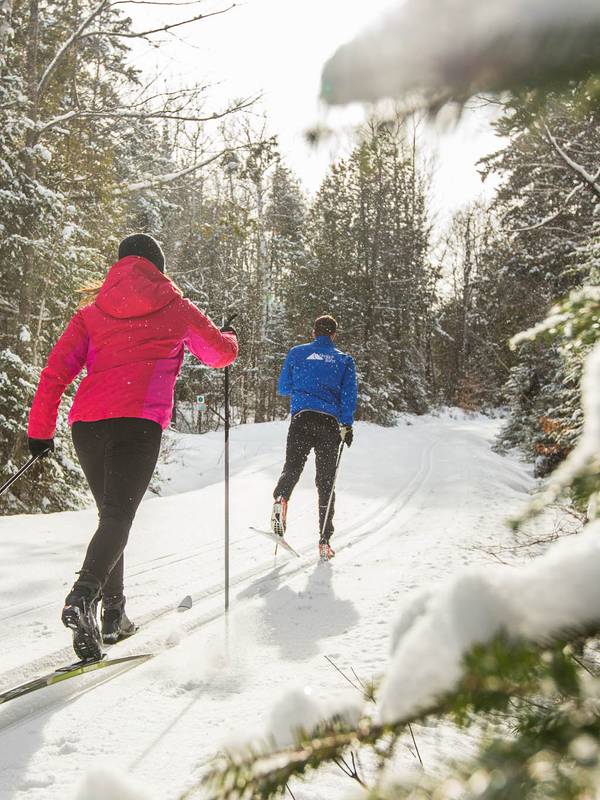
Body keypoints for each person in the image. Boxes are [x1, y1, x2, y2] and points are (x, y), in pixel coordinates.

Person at [27, 234, 238, 661]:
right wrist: (230, 335)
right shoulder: (176, 307)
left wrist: (40, 431)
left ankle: (113, 615)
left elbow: (54, 373)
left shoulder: (91, 314)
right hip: (138, 423)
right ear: (158, 267)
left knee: (111, 517)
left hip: (88, 426)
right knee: (117, 517)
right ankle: (82, 597)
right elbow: (219, 355)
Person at [272, 314, 357, 561]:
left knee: (292, 467)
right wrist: (347, 424)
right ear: (334, 335)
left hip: (302, 419)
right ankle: (324, 541)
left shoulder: (297, 353)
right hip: (328, 425)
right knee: (326, 482)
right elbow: (349, 396)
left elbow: (283, 387)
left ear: (313, 332)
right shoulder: (344, 360)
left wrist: (304, 385)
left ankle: (281, 498)